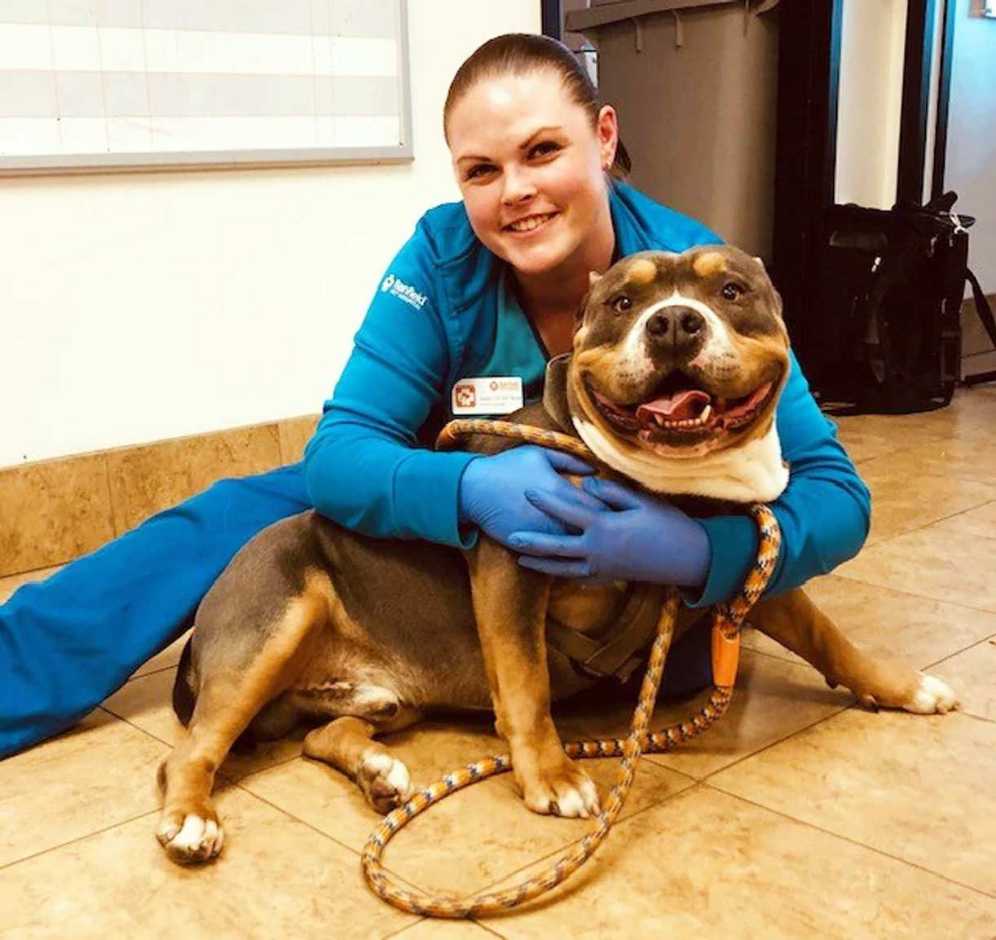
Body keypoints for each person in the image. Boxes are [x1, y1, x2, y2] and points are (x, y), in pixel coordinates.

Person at [0, 34, 870, 761]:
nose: (515, 192)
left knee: (682, 617)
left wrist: (694, 554)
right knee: (238, 517)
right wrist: (462, 491)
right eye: (480, 170)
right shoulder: (442, 258)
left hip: (639, 539)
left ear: (603, 137)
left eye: (543, 151)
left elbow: (835, 495)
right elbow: (342, 452)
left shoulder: (699, 281)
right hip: (444, 499)